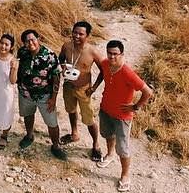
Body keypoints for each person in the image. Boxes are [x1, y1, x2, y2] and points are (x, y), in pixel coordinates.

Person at [93, 39, 154, 192]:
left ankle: (125, 175)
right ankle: (109, 154)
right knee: (107, 134)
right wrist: (95, 87)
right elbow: (102, 73)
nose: (112, 57)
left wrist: (135, 106)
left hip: (122, 116)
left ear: (121, 54)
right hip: (105, 109)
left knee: (123, 148)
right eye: (109, 53)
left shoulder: (127, 72)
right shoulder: (106, 63)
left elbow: (148, 92)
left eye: (115, 54)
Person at [15, 29, 67, 159]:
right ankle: (29, 136)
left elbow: (56, 77)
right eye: (27, 41)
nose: (30, 42)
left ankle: (55, 146)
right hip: (25, 93)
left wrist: (53, 98)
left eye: (32, 39)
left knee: (52, 122)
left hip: (45, 96)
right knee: (28, 115)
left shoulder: (49, 55)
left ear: (38, 39)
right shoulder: (22, 52)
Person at [58, 20, 105, 161]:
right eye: (75, 32)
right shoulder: (66, 46)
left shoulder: (92, 51)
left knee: (89, 118)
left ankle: (96, 145)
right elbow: (61, 58)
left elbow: (104, 70)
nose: (77, 36)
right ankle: (74, 134)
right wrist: (63, 68)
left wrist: (94, 87)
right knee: (71, 111)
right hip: (68, 85)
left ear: (87, 36)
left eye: (81, 34)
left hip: (84, 90)